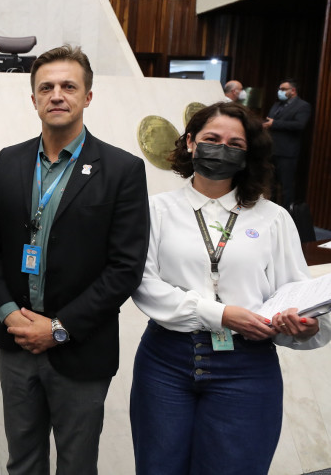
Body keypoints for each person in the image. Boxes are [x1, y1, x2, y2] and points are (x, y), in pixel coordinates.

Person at [131, 101, 329, 475]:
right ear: (190, 142)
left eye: (235, 144)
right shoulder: (157, 210)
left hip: (247, 366)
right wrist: (220, 313)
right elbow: (142, 283)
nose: (222, 149)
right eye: (212, 138)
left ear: (248, 153)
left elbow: (296, 293)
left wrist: (303, 324)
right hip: (166, 362)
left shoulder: (273, 218)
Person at [0, 44, 150, 475]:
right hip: (16, 341)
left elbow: (124, 268)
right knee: (22, 461)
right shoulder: (9, 161)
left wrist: (58, 329)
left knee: (76, 465)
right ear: (33, 98)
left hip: (81, 348)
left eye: (68, 86)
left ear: (87, 97)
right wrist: (6, 313)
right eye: (47, 87)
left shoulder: (122, 169)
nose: (57, 95)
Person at [262, 78, 312, 209]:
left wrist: (275, 124)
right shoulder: (277, 105)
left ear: (293, 90)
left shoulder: (303, 106)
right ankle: (269, 210)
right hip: (272, 150)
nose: (280, 92)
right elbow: (270, 120)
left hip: (287, 152)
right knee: (270, 184)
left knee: (286, 186)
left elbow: (299, 125)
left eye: (283, 89)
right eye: (279, 89)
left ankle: (286, 214)